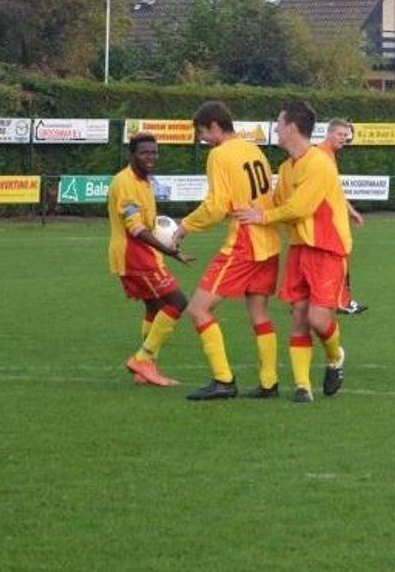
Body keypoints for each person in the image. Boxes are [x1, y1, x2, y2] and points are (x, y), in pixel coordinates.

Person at [237, 101, 351, 403]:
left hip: (327, 248)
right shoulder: (287, 168)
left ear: (291, 128)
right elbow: (276, 201)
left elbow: (300, 209)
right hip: (300, 249)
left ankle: (335, 356)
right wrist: (246, 207)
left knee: (317, 319)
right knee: (299, 315)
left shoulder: (319, 163)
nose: (275, 128)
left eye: (278, 122)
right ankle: (303, 387)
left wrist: (261, 217)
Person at [174, 101, 283, 401]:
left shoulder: (220, 155)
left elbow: (215, 207)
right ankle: (269, 382)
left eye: (202, 133)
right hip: (269, 242)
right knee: (260, 313)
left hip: (244, 242)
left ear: (214, 126)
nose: (202, 140)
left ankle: (223, 380)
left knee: (198, 309)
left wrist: (184, 227)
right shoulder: (253, 149)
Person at [111, 133, 195, 387]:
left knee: (154, 307)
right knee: (178, 302)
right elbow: (135, 228)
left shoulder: (145, 180)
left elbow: (147, 224)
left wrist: (167, 245)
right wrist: (168, 251)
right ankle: (142, 359)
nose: (151, 157)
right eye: (145, 152)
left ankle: (144, 370)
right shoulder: (125, 182)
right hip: (135, 255)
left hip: (142, 253)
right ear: (132, 155)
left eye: (154, 152)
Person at [317, 118, 368, 316]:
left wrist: (350, 210)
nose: (343, 139)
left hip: (327, 217)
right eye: (339, 134)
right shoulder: (322, 155)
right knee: (341, 256)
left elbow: (334, 189)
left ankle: (310, 300)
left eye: (346, 136)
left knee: (324, 260)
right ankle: (342, 302)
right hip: (328, 219)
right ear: (328, 133)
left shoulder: (326, 154)